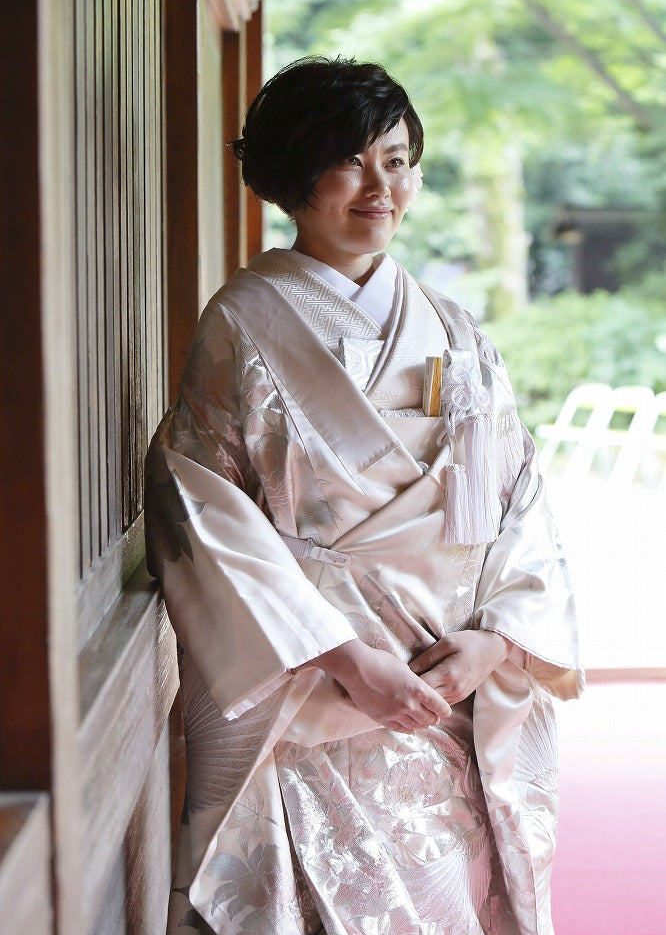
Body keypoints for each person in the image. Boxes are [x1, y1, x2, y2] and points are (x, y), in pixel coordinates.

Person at [145, 56, 583, 935]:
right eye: (350, 162)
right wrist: (345, 658)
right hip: (315, 686)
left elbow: (519, 497)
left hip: (448, 682)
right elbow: (201, 510)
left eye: (398, 160)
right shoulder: (242, 324)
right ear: (291, 176)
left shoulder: (454, 328)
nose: (382, 188)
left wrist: (496, 640)